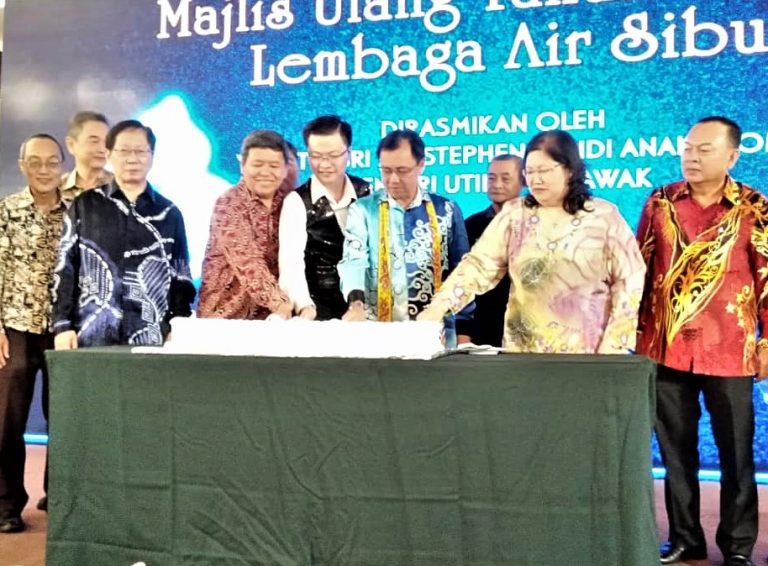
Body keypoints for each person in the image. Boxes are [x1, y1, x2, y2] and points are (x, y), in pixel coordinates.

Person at [636, 116, 762, 566]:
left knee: (736, 454)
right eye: (688, 148)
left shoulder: (754, 208)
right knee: (675, 454)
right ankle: (685, 538)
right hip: (665, 346)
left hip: (730, 349)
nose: (692, 156)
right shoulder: (660, 202)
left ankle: (739, 546)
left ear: (732, 156)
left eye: (704, 149)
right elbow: (639, 269)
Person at [417, 130, 645, 354]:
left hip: (589, 356)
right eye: (530, 172)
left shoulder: (603, 216)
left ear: (569, 169)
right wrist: (439, 307)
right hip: (523, 356)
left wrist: (614, 345)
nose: (536, 179)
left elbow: (631, 279)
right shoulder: (515, 215)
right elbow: (478, 266)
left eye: (544, 170)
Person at [52, 120, 195, 348]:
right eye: (124, 151)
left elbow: (181, 277)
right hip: (90, 335)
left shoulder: (169, 213)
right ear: (109, 155)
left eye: (140, 151)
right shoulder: (85, 205)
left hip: (151, 337)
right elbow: (66, 267)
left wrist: (177, 326)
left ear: (152, 156)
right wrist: (62, 325)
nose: (132, 159)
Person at [338, 129, 471, 345]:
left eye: (402, 170)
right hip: (376, 335)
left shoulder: (446, 210)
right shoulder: (363, 210)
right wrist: (356, 303)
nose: (393, 179)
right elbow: (354, 261)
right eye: (386, 171)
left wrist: (464, 335)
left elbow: (463, 274)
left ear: (421, 165)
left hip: (436, 337)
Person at [0, 134, 68, 533]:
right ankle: (7, 506)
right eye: (35, 161)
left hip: (63, 331)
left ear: (62, 165)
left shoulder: (76, 211)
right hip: (15, 329)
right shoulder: (5, 211)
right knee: (7, 422)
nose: (44, 169)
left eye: (52, 161)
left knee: (66, 418)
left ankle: (58, 495)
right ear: (22, 165)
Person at [197, 130, 313, 320]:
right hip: (226, 319)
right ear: (242, 165)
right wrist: (280, 303)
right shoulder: (228, 204)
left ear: (285, 169)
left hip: (276, 321)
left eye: (274, 166)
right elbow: (248, 263)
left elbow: (294, 262)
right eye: (257, 165)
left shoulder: (290, 204)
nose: (265, 172)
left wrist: (304, 305)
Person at [293, 115, 371, 320]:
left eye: (333, 155)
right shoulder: (296, 201)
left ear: (349, 153)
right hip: (316, 310)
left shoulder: (366, 193)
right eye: (316, 156)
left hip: (365, 308)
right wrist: (305, 307)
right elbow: (291, 265)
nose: (324, 164)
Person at [464, 154, 524, 346]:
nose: (497, 184)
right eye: (491, 178)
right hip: (481, 333)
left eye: (505, 179)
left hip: (527, 333)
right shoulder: (471, 225)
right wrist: (463, 334)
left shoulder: (538, 223)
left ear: (523, 181)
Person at [61, 111, 112, 201]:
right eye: (94, 141)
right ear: (71, 145)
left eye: (106, 142)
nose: (102, 149)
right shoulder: (54, 189)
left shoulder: (121, 186)